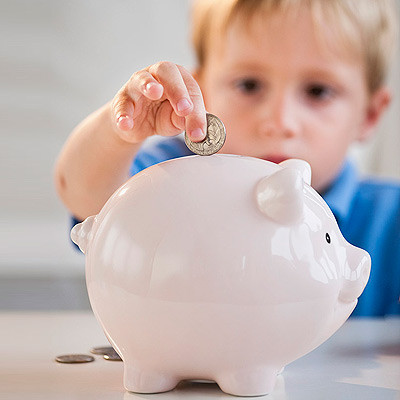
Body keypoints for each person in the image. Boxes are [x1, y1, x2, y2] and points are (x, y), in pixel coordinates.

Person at [54, 0, 399, 317]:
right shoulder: (171, 176)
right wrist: (121, 130)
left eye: (318, 91)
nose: (279, 121)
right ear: (201, 91)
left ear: (368, 115)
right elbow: (83, 192)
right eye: (249, 85)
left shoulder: (390, 221)